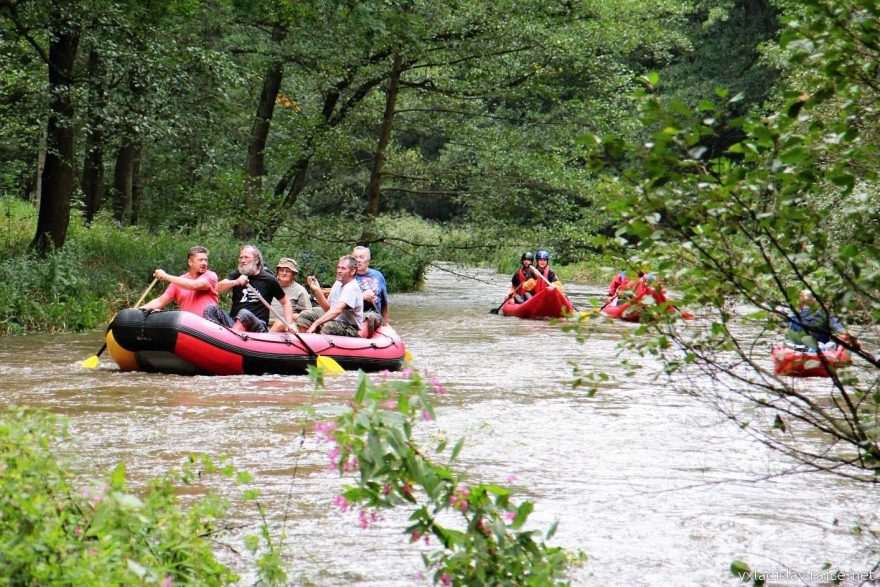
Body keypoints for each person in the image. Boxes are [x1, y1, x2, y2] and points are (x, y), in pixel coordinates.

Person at [204, 244, 294, 332]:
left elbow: (286, 302)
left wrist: (289, 324)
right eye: (241, 257)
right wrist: (236, 281)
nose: (242, 260)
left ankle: (232, 340)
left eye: (246, 257)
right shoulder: (236, 275)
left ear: (256, 260)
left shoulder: (269, 279)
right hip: (233, 321)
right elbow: (217, 288)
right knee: (210, 309)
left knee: (244, 313)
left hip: (258, 325)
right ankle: (215, 340)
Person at [296, 255, 364, 337]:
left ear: (352, 271)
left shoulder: (352, 287)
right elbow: (328, 309)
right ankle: (304, 341)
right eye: (338, 267)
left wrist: (316, 323)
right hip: (335, 320)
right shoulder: (338, 283)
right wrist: (317, 291)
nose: (339, 271)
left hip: (350, 327)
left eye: (343, 268)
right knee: (306, 315)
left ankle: (318, 347)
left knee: (329, 326)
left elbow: (337, 311)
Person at [141, 245, 218, 316]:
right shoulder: (178, 281)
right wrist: (138, 310)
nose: (204, 263)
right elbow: (160, 301)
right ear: (190, 262)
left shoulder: (210, 276)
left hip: (208, 324)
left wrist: (166, 276)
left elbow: (194, 285)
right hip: (187, 326)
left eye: (206, 260)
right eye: (200, 260)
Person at [785, 289, 849, 351]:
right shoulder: (824, 314)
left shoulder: (793, 317)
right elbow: (841, 332)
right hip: (821, 352)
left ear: (798, 302)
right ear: (815, 300)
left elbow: (790, 340)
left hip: (800, 353)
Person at [268, 257, 311, 333]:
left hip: (287, 327)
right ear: (277, 272)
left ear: (293, 274)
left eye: (287, 271)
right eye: (281, 270)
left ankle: (265, 340)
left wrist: (299, 315)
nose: (284, 273)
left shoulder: (300, 290)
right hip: (265, 323)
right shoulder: (270, 285)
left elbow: (308, 314)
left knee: (280, 323)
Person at [352, 245, 389, 333]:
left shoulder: (378, 276)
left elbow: (385, 304)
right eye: (355, 257)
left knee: (370, 316)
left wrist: (386, 325)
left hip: (373, 314)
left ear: (368, 260)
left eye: (361, 257)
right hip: (353, 314)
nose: (358, 260)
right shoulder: (348, 275)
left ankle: (358, 338)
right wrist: (361, 297)